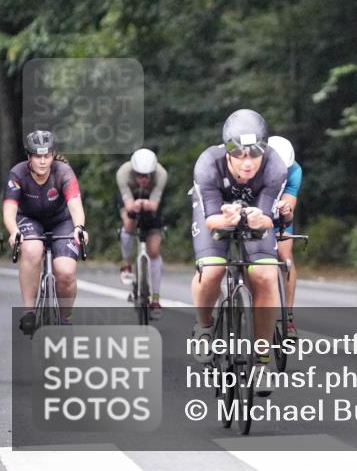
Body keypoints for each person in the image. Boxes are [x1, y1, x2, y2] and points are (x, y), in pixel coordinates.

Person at [189, 109, 287, 379]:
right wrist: (227, 218)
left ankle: (263, 360)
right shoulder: (208, 163)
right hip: (216, 212)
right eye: (239, 154)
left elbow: (268, 217)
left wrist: (259, 219)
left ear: (264, 151)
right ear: (228, 151)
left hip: (255, 210)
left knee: (266, 276)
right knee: (212, 270)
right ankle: (205, 327)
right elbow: (210, 220)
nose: (247, 163)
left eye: (254, 154)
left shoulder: (275, 166)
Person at [1, 131, 88, 332]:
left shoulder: (63, 171)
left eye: (46, 156)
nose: (42, 161)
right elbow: (9, 210)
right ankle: (29, 312)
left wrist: (79, 228)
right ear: (29, 156)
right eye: (37, 156)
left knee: (65, 272)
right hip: (29, 219)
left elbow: (75, 204)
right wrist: (14, 231)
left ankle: (66, 317)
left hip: (61, 221)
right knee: (31, 249)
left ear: (53, 155)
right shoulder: (18, 173)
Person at [116, 148, 168, 318]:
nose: (143, 179)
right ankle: (126, 264)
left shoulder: (161, 174)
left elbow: (154, 205)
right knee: (129, 225)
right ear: (133, 171)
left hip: (151, 205)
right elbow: (128, 204)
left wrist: (146, 204)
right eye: (139, 175)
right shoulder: (123, 173)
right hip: (131, 201)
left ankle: (155, 298)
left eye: (147, 176)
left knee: (154, 251)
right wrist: (134, 206)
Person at [267, 135, 302, 338]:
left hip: (277, 215)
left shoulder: (295, 170)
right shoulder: (253, 165)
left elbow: (289, 209)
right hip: (254, 211)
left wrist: (285, 210)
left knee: (285, 257)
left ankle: (287, 317)